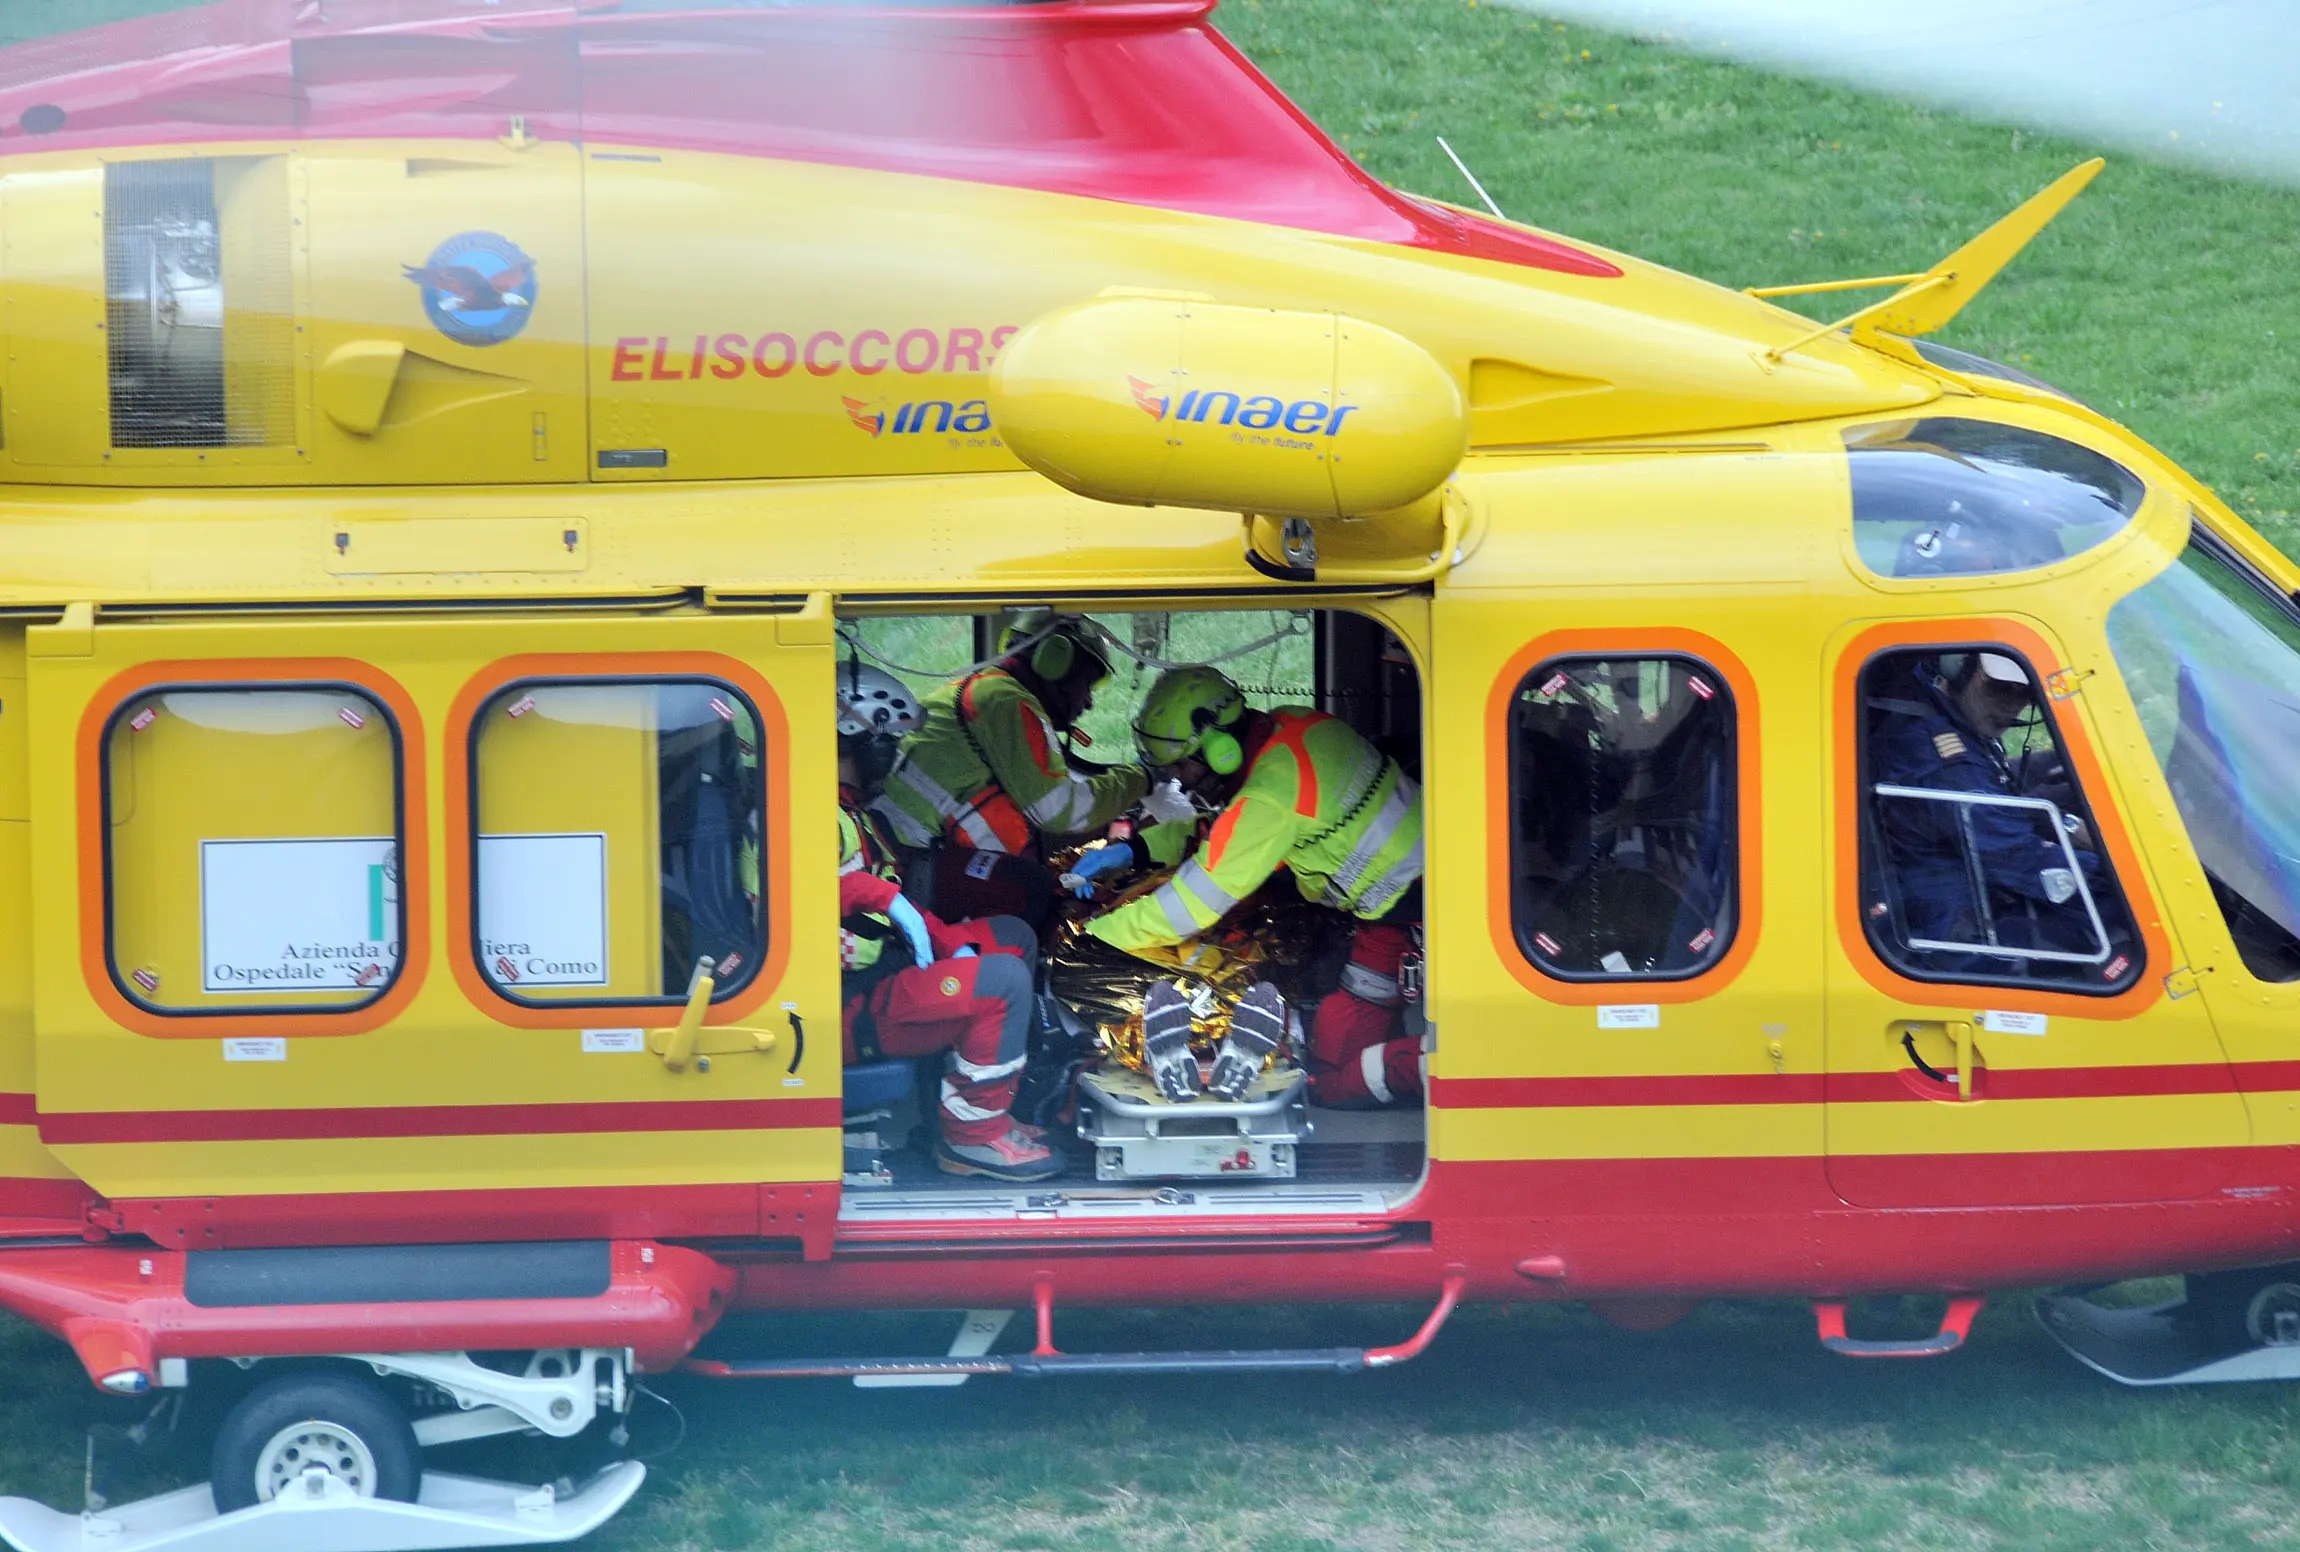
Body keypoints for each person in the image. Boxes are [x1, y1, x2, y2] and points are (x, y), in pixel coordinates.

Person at [1078, 665, 1424, 1109]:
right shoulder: (1292, 725)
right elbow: (1226, 831)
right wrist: (1136, 850)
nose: (1179, 780)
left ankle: (1454, 1064)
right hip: (1396, 919)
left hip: (1437, 917)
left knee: (1336, 1085)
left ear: (1219, 749)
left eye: (1181, 764)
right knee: (1327, 1066)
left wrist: (1092, 940)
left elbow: (1188, 909)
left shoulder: (1272, 794)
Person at [835, 662, 1059, 1182]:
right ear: (862, 744)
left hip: (879, 973)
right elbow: (809, 916)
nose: (891, 754)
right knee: (1001, 983)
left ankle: (996, 1109)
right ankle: (971, 1138)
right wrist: (894, 917)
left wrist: (941, 938)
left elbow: (888, 905)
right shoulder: (814, 818)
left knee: (1012, 935)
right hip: (845, 1005)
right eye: (887, 741)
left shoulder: (851, 812)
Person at [873, 611, 1154, 929]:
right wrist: (1142, 779)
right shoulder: (1005, 702)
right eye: (1085, 684)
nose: (1088, 703)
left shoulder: (987, 691)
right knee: (1031, 886)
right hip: (915, 863)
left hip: (907, 849)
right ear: (1055, 664)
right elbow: (1059, 810)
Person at [1868, 650, 2104, 971]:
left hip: (1961, 892)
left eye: (2026, 692)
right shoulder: (1947, 765)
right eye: (2001, 687)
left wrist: (2058, 791)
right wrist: (2113, 870)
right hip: (1956, 939)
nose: (2013, 704)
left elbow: (1992, 784)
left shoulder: (1936, 705)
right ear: (1959, 669)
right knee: (2109, 917)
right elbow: (2023, 862)